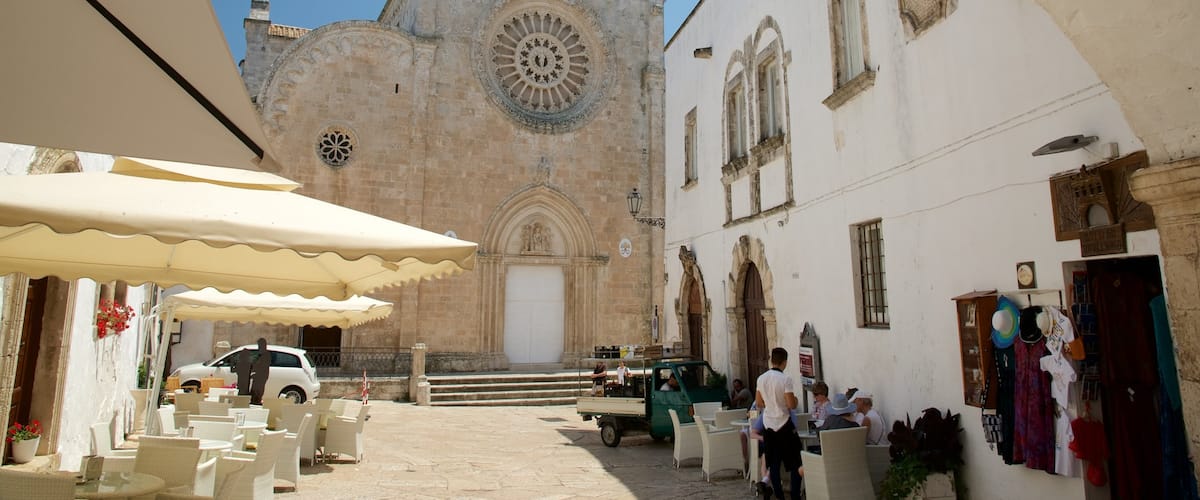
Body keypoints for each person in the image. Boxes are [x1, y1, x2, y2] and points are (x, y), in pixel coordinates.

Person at [755, 347, 802, 500]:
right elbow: (790, 404)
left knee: (773, 463)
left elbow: (759, 402)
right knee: (796, 462)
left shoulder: (761, 378)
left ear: (771, 360)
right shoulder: (785, 379)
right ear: (785, 362)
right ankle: (795, 495)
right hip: (784, 424)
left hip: (769, 424)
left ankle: (779, 495)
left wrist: (771, 403)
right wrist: (794, 400)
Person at [249, 338, 270, 405]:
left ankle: (257, 401)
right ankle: (254, 401)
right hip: (258, 376)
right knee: (254, 390)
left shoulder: (266, 355)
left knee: (258, 390)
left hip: (261, 376)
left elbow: (262, 366)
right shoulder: (260, 354)